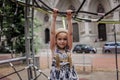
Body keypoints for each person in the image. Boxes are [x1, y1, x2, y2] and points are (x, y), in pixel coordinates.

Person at [50, 8, 78, 80]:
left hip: (69, 77)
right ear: (55, 40)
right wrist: (54, 18)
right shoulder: (54, 49)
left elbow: (70, 34)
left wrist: (69, 19)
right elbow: (53, 33)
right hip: (58, 77)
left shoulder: (68, 49)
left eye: (65, 39)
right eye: (59, 39)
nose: (62, 41)